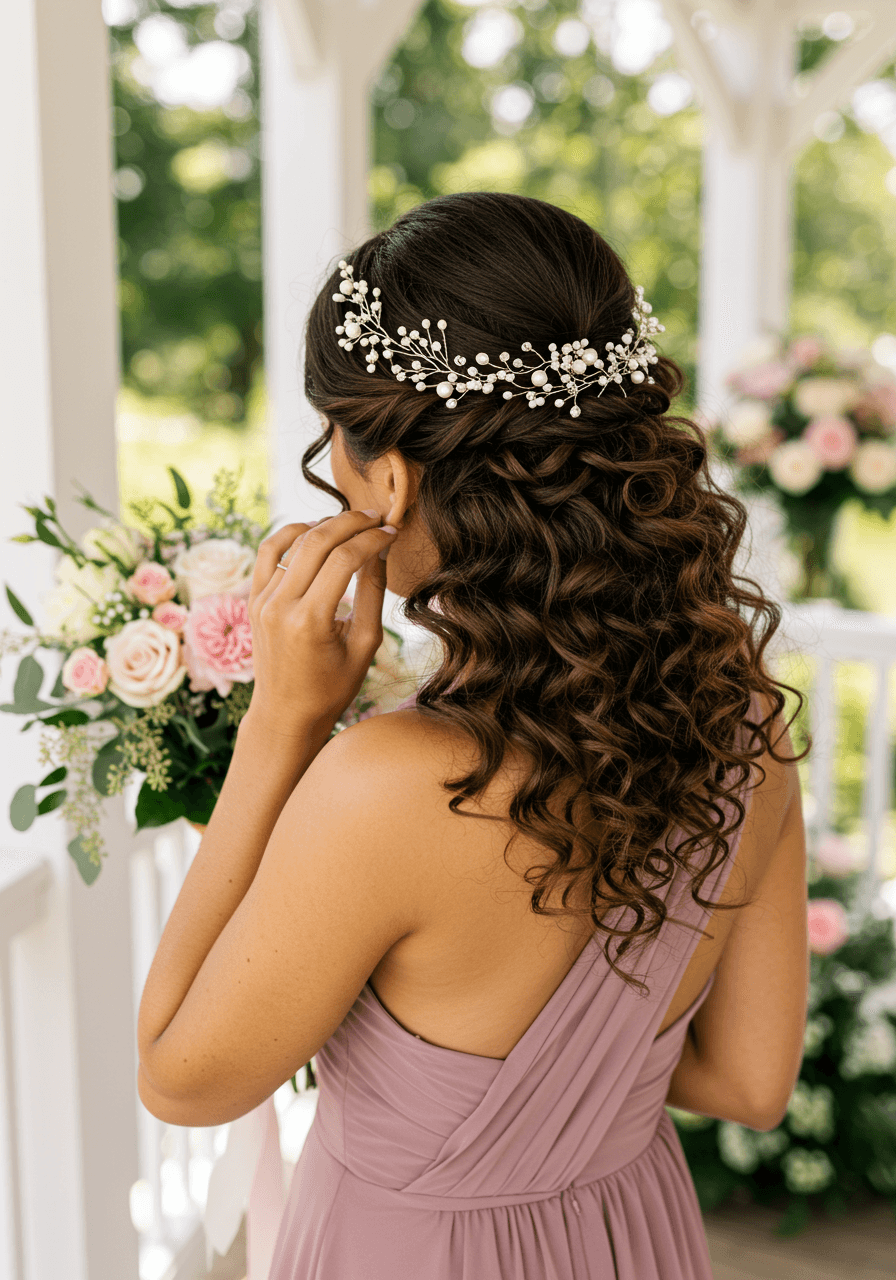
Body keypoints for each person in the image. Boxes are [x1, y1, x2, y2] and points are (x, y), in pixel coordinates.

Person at [137, 192, 809, 1279]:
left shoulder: (384, 786)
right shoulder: (742, 723)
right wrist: (572, 1083)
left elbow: (179, 1076)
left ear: (392, 473)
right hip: (624, 1234)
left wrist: (282, 718)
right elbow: (746, 1082)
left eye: (335, 436)